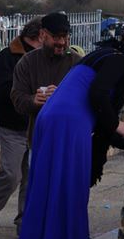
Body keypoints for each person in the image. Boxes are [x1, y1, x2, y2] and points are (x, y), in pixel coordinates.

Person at [16, 24, 124, 239]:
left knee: (58, 197)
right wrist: (118, 124)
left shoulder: (102, 55)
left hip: (54, 119)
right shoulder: (117, 60)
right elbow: (98, 96)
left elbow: (99, 113)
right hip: (69, 123)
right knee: (72, 199)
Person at [0, 18, 43, 239]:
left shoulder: (44, 58)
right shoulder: (6, 58)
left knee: (31, 179)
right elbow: (4, 93)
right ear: (36, 38)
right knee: (11, 175)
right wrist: (32, 96)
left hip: (37, 126)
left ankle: (25, 223)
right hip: (14, 126)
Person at [10, 12, 82, 143]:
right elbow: (17, 98)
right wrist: (33, 100)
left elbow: (89, 100)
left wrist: (63, 97)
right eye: (55, 37)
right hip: (39, 139)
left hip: (69, 140)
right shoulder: (28, 62)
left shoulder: (78, 63)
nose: (61, 42)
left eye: (65, 37)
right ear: (43, 35)